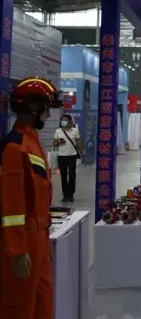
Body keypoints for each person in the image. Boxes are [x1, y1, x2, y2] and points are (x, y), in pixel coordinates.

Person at [0, 76, 63, 319]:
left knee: (43, 303)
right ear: (32, 108)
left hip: (40, 238)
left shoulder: (33, 142)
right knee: (20, 306)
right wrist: (17, 250)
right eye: (46, 108)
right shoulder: (14, 147)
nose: (48, 115)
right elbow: (11, 206)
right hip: (24, 240)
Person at [53, 114, 82, 202]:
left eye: (65, 120)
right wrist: (59, 142)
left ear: (70, 121)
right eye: (62, 120)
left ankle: (71, 194)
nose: (63, 121)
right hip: (61, 156)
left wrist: (81, 153)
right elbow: (54, 144)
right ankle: (65, 195)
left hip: (72, 156)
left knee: (72, 175)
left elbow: (78, 142)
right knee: (63, 176)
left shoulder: (75, 131)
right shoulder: (58, 131)